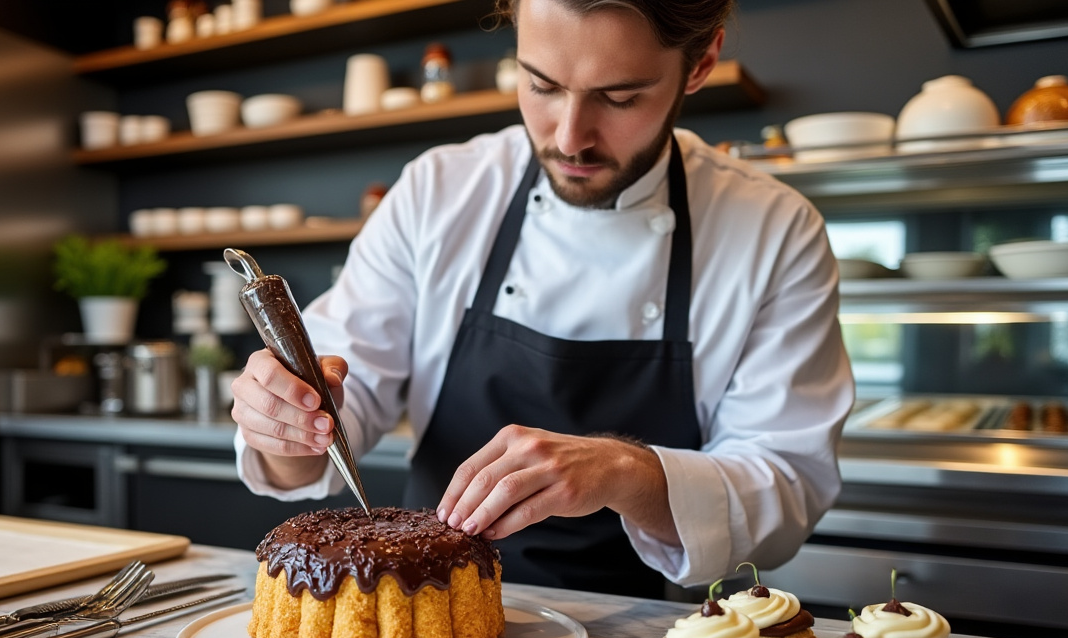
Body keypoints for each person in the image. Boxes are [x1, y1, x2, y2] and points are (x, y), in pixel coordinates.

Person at [229, 0, 854, 598]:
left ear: (701, 63)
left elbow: (785, 486)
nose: (570, 137)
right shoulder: (439, 192)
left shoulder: (774, 230)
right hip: (429, 603)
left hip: (641, 633)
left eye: (620, 97)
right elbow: (333, 412)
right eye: (541, 85)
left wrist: (622, 471)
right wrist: (285, 425)